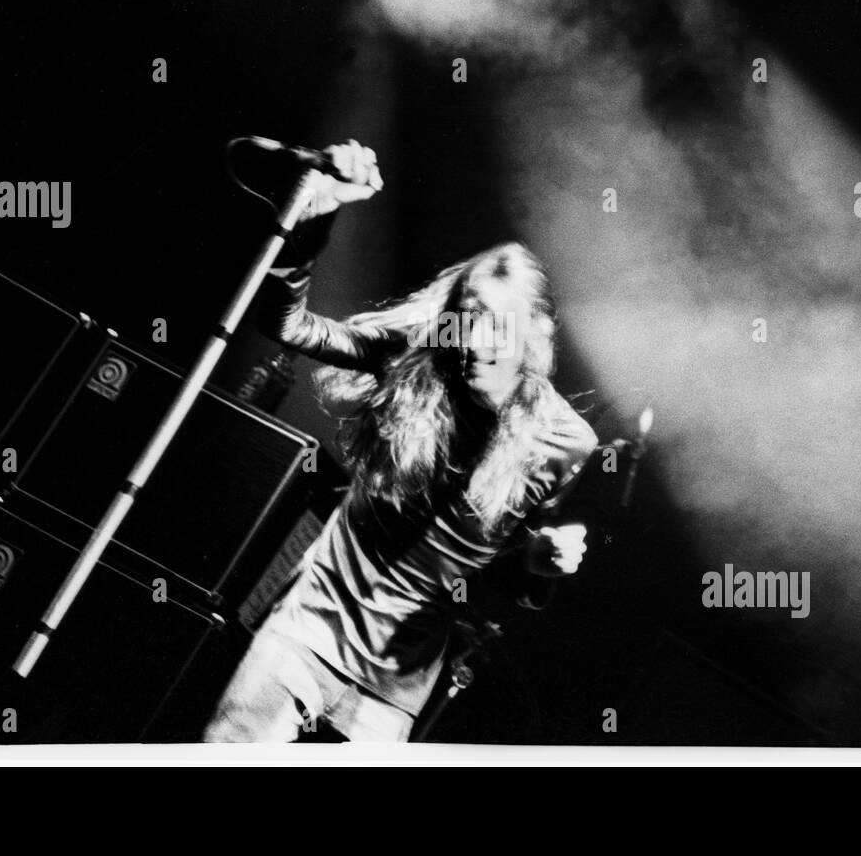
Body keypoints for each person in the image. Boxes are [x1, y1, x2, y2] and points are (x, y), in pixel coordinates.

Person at [204, 139, 598, 742]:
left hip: (394, 686)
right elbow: (285, 325)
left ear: (537, 332)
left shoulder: (564, 441)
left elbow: (504, 569)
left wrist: (539, 561)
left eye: (498, 323)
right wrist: (315, 221)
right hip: (310, 630)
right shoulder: (416, 359)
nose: (474, 340)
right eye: (466, 317)